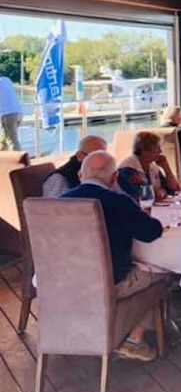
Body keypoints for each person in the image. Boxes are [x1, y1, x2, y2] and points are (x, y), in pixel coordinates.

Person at [62, 151, 165, 361]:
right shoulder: (119, 202)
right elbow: (151, 232)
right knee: (163, 272)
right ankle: (133, 339)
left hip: (65, 283)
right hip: (110, 283)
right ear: (114, 178)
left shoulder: (58, 203)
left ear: (81, 175)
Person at [117, 131, 180, 201]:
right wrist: (158, 192)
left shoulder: (152, 167)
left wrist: (166, 168)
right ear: (144, 151)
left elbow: (173, 189)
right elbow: (143, 196)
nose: (160, 151)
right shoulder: (126, 170)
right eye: (157, 148)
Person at [42, 135, 107, 197]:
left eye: (103, 157)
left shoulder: (105, 175)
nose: (100, 162)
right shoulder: (58, 179)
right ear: (79, 156)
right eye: (93, 157)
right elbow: (52, 206)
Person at [0, 76, 22, 151]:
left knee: (12, 141)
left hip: (8, 115)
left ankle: (20, 161)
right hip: (19, 112)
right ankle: (2, 159)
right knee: (4, 140)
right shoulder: (6, 80)